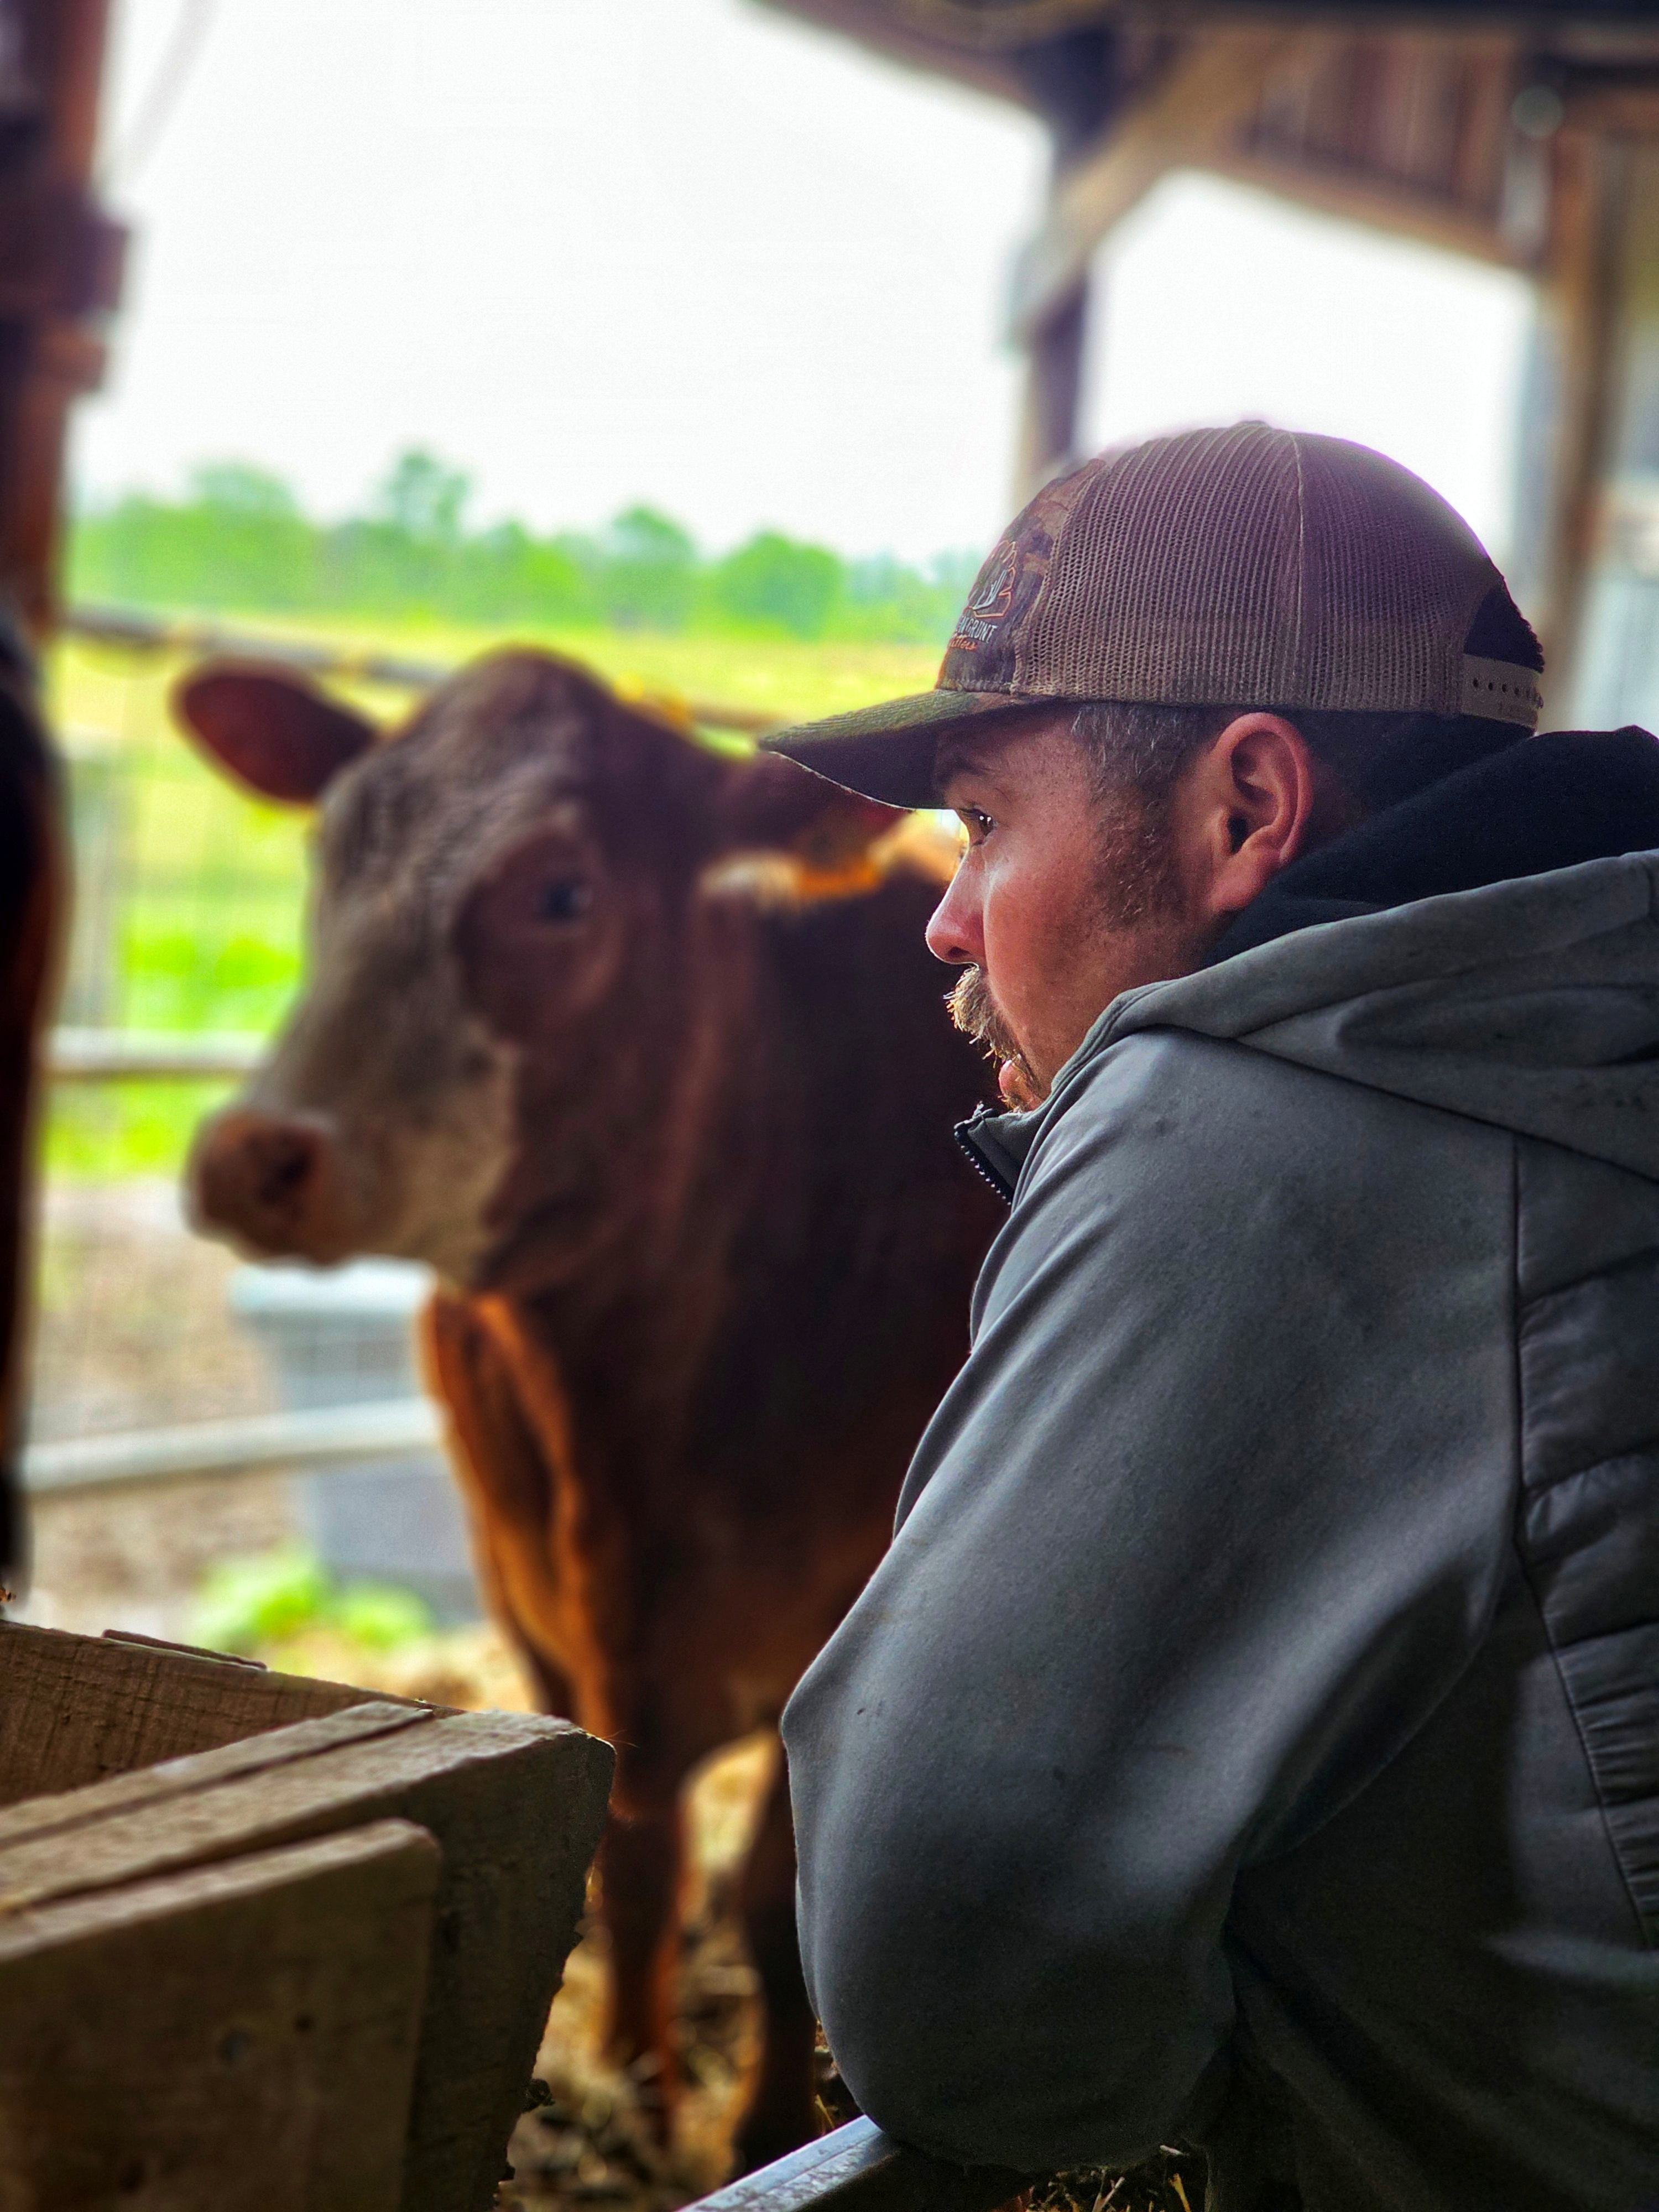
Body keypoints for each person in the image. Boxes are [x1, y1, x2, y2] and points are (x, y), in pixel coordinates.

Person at [760, 422, 1659, 2212]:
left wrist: (1203, 2076)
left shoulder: (1262, 1119)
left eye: (984, 824)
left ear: (1246, 808)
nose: (947, 923)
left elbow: (951, 1997)